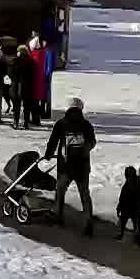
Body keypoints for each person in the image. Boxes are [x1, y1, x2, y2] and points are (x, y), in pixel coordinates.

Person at [45, 96, 97, 235]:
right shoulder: (86, 125)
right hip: (82, 167)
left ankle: (58, 217)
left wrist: (48, 154)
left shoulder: (61, 123)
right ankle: (88, 222)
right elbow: (92, 142)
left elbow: (53, 141)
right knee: (85, 195)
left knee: (60, 191)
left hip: (65, 167)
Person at [116, 166, 140, 244]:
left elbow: (122, 198)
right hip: (136, 208)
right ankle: (137, 236)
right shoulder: (138, 183)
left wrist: (119, 207)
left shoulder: (127, 185)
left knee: (125, 222)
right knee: (136, 223)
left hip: (128, 208)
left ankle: (122, 234)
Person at [9, 40, 35, 128]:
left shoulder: (14, 61)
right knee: (26, 106)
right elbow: (33, 75)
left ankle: (15, 122)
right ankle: (25, 123)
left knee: (16, 105)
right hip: (27, 86)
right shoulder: (31, 62)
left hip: (15, 86)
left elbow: (10, 74)